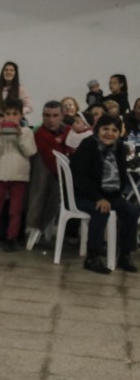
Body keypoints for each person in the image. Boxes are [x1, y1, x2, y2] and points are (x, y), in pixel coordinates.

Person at [70, 115, 139, 274]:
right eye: (105, 129)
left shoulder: (120, 148)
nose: (109, 133)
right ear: (97, 130)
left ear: (119, 133)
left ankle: (124, 255)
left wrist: (113, 196)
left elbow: (121, 176)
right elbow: (81, 177)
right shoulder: (88, 145)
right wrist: (98, 198)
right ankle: (92, 257)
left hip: (110, 195)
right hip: (85, 195)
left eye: (114, 130)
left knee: (132, 210)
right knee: (101, 210)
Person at [0, 99, 37, 251]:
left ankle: (11, 238)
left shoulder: (27, 132)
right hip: (0, 174)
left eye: (15, 114)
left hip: (19, 176)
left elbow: (30, 151)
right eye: (8, 114)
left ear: (20, 115)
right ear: (3, 115)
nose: (11, 117)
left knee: (15, 210)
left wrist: (19, 135)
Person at [27, 101, 69, 246]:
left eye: (55, 115)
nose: (51, 119)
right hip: (50, 177)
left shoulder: (70, 131)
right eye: (47, 115)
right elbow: (54, 160)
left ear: (62, 116)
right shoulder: (39, 134)